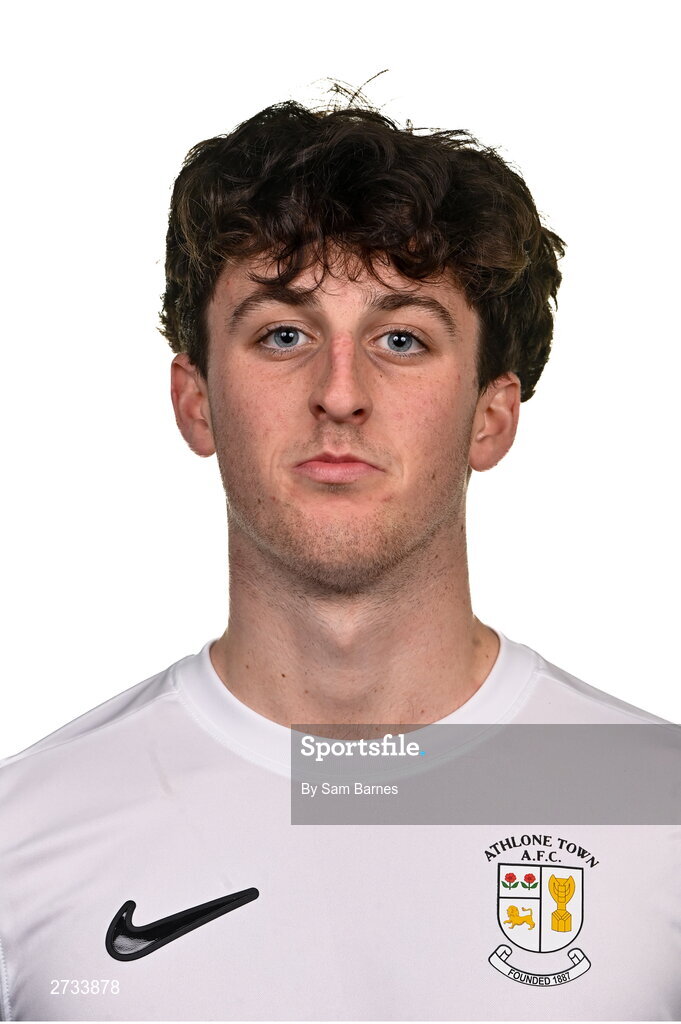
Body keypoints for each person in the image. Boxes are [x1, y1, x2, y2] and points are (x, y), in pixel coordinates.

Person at [1, 97, 679, 1023]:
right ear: (195, 401)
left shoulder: (658, 811)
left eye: (401, 338)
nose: (339, 393)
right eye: (283, 333)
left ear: (492, 414)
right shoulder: (24, 833)